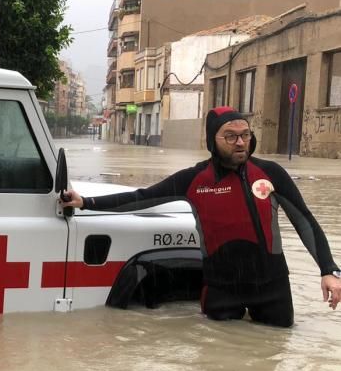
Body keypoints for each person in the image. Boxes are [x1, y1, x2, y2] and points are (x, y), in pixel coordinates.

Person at [59, 107, 341, 327]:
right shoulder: (194, 179)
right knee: (217, 357)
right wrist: (86, 202)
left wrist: (328, 270)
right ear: (212, 141)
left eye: (245, 135)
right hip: (221, 289)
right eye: (230, 136)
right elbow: (141, 198)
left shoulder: (271, 174)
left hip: (272, 287)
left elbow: (305, 221)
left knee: (274, 351)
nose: (241, 142)